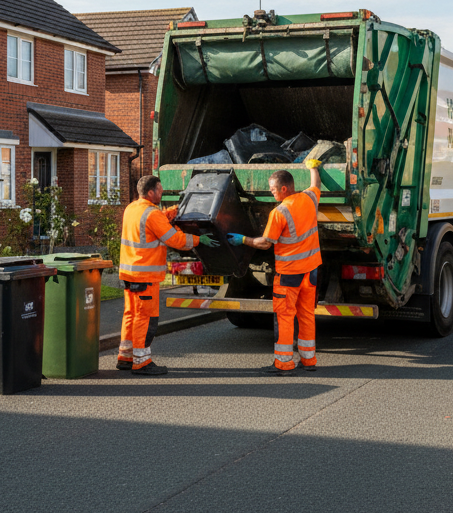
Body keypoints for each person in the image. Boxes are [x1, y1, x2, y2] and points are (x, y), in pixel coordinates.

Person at [231, 160, 324, 376]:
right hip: (310, 271)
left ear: (283, 189)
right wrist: (313, 167)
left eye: (273, 190)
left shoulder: (280, 212)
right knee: (307, 315)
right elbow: (316, 184)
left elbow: (265, 243)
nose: (271, 194)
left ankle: (283, 363)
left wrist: (243, 240)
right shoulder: (309, 198)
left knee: (284, 315)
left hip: (289, 274)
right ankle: (309, 360)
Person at [118, 174, 217, 375]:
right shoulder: (152, 214)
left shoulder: (133, 208)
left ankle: (126, 357)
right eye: (160, 190)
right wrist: (199, 240)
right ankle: (142, 362)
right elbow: (175, 239)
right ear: (151, 192)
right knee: (146, 318)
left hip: (129, 273)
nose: (162, 193)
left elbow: (154, 221)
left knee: (131, 315)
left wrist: (172, 212)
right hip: (146, 276)